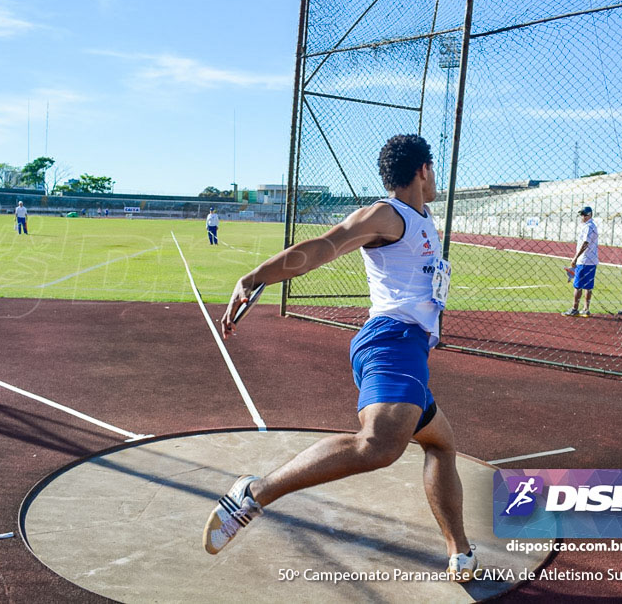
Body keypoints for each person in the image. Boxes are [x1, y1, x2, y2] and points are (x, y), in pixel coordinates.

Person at [204, 134, 477, 579]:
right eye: (433, 171)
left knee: (440, 445)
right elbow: (322, 248)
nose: (435, 179)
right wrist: (255, 277)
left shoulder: (425, 220)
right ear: (423, 170)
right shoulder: (387, 215)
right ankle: (255, 493)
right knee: (377, 446)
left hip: (410, 353)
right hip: (391, 342)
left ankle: (460, 551)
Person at [563, 205, 598, 317]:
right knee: (588, 286)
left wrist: (575, 258)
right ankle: (586, 309)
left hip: (584, 260)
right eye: (582, 214)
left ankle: (575, 308)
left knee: (578, 285)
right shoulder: (590, 226)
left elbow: (585, 243)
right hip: (590, 260)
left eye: (584, 214)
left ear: (590, 215)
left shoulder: (588, 227)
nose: (582, 216)